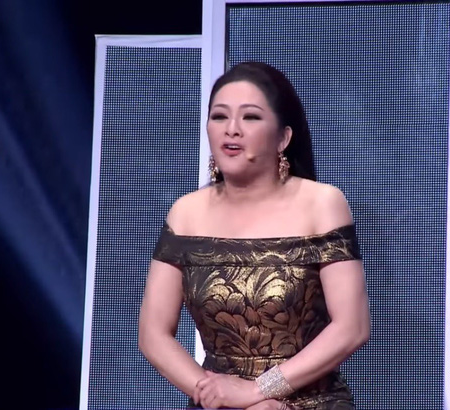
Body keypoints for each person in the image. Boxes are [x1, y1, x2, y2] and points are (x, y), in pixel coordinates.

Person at [138, 61, 370, 410]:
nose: (231, 129)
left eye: (250, 117)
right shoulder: (185, 213)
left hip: (309, 401)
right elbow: (152, 334)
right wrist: (215, 394)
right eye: (219, 116)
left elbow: (352, 327)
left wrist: (258, 391)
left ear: (283, 138)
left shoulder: (322, 204)